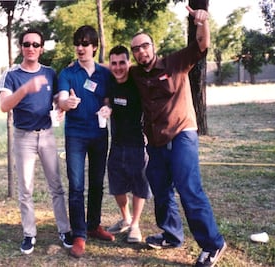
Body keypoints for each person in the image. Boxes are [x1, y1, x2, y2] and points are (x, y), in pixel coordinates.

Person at [129, 6, 226, 267]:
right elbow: (113, 69)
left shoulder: (175, 61)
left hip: (182, 134)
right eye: (136, 49)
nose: (141, 51)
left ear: (153, 46)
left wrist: (202, 22)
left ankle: (213, 244)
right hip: (156, 141)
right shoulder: (136, 73)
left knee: (188, 188)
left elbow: (202, 44)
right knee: (159, 187)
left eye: (144, 46)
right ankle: (171, 235)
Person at [0, 28, 72, 255]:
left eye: (35, 45)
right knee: (26, 188)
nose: (31, 48)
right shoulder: (11, 75)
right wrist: (25, 89)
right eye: (27, 44)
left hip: (47, 134)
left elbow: (59, 98)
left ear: (42, 48)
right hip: (23, 138)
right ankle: (29, 234)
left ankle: (65, 229)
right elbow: (4, 105)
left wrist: (63, 106)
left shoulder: (50, 73)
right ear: (21, 47)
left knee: (56, 186)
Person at [57, 25, 114, 258]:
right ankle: (79, 234)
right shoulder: (68, 73)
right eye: (77, 44)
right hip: (75, 136)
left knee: (97, 183)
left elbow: (109, 99)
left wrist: (107, 107)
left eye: (85, 44)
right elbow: (61, 99)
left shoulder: (105, 73)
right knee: (77, 185)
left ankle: (94, 225)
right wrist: (66, 103)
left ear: (94, 47)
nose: (80, 48)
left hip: (100, 135)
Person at [106, 45, 152, 243]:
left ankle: (135, 224)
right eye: (114, 63)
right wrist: (106, 107)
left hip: (137, 144)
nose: (118, 68)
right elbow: (107, 100)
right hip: (116, 144)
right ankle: (125, 218)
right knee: (117, 187)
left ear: (129, 63)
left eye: (122, 63)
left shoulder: (137, 81)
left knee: (139, 185)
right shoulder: (109, 82)